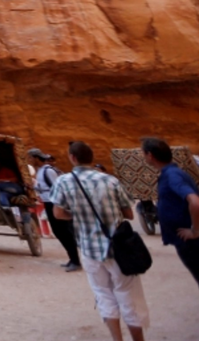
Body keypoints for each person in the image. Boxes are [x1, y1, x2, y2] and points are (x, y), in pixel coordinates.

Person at [52, 141, 148, 341]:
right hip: (118, 248)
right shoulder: (110, 181)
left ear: (72, 158)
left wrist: (77, 216)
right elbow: (129, 214)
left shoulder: (63, 182)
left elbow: (58, 213)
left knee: (103, 295)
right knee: (129, 296)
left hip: (89, 249)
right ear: (91, 157)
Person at [142, 136, 199, 287]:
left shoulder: (172, 175)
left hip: (191, 242)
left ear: (150, 155)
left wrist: (195, 231)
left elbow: (195, 202)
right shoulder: (171, 173)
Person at [31, 147, 80, 272]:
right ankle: (72, 258)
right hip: (48, 202)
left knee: (63, 231)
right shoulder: (41, 171)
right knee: (59, 231)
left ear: (36, 158)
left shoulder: (48, 170)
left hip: (54, 202)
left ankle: (75, 260)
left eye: (30, 158)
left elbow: (58, 186)